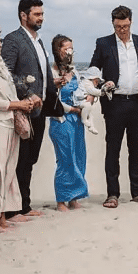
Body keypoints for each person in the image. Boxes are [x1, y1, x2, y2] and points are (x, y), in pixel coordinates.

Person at [89, 5, 138, 208]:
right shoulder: (104, 43)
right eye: (118, 26)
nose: (122, 30)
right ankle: (112, 194)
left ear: (131, 22)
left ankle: (137, 192)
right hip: (115, 103)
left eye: (125, 26)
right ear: (113, 24)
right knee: (113, 150)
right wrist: (102, 84)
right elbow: (93, 70)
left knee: (136, 150)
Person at [1, 0, 62, 218]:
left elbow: (40, 73)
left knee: (31, 159)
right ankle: (13, 209)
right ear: (23, 15)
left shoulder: (39, 41)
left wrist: (50, 87)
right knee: (20, 159)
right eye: (37, 14)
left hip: (40, 110)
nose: (41, 18)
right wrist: (27, 93)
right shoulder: (13, 40)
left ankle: (24, 205)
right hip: (22, 109)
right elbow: (5, 73)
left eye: (42, 14)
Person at [0, 24, 37, 232]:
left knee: (9, 170)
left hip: (11, 121)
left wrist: (24, 102)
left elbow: (10, 90)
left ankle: (2, 215)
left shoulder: (0, 63)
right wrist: (18, 105)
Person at [48, 35, 91, 211]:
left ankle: (74, 196)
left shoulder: (76, 72)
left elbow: (83, 90)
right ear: (58, 51)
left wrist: (89, 99)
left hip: (78, 121)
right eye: (67, 49)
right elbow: (53, 100)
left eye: (72, 49)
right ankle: (61, 199)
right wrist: (73, 109)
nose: (70, 53)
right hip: (62, 119)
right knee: (65, 159)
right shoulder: (52, 72)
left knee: (79, 156)